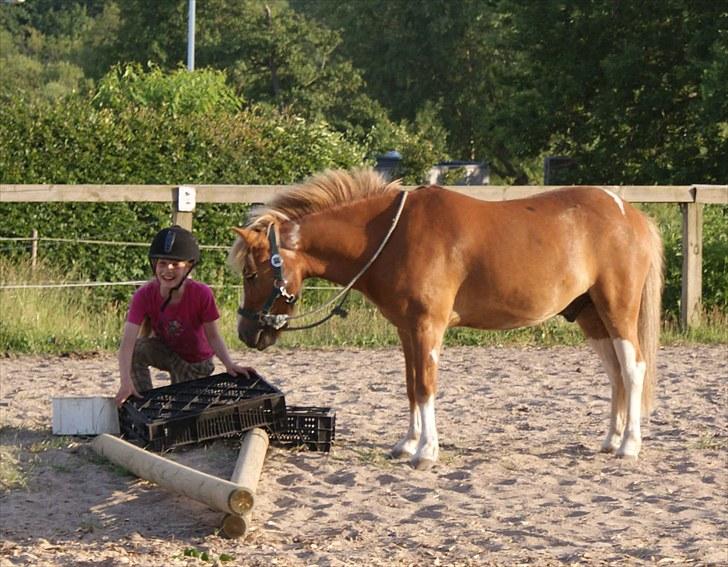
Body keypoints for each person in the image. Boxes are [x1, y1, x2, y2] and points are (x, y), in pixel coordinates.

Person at [115, 225, 249, 406]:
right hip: (168, 351)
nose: (167, 269)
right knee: (138, 349)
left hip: (196, 362)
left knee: (181, 408)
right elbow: (127, 344)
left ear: (188, 267)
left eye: (175, 264)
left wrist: (229, 364)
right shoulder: (144, 295)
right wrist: (125, 382)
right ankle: (144, 402)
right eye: (162, 263)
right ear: (154, 265)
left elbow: (214, 336)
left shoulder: (202, 293)